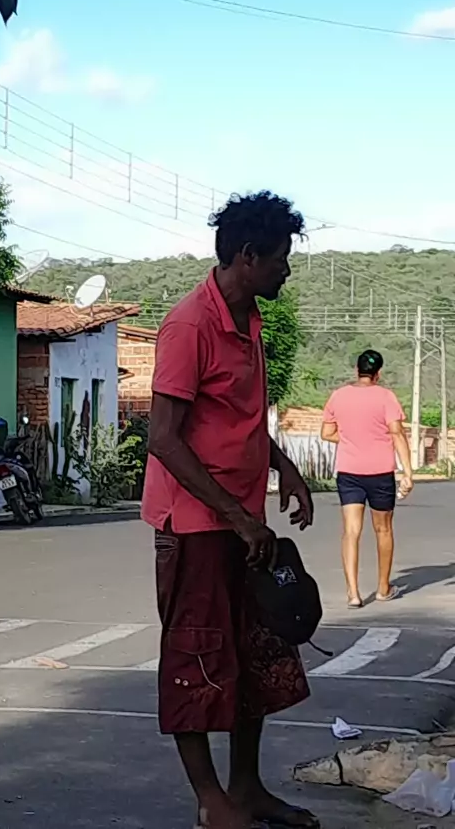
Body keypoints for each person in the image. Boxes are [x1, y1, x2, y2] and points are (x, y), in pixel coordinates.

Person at [142, 191, 318, 829]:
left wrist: (283, 465)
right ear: (247, 256)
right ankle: (211, 801)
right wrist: (238, 517)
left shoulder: (250, 321)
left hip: (245, 527)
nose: (286, 270)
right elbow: (163, 438)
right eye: (280, 258)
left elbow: (237, 420)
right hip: (195, 527)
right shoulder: (190, 325)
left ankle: (246, 789)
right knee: (196, 659)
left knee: (253, 656)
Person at [321, 349, 413, 608]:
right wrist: (408, 472)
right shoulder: (386, 397)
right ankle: (383, 589)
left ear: (357, 370)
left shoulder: (339, 396)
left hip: (349, 472)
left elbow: (326, 433)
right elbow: (397, 433)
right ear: (378, 373)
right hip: (380, 473)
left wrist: (351, 439)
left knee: (351, 531)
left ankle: (353, 593)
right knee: (383, 529)